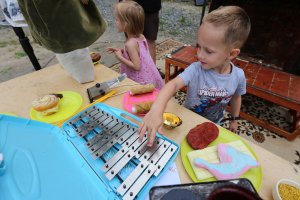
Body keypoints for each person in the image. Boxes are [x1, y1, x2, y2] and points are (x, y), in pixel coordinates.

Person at [138, 6, 251, 146]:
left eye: (208, 51)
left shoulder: (238, 76)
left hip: (213, 124)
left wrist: (235, 118)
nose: (199, 54)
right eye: (198, 46)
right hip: (187, 121)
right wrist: (156, 110)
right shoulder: (196, 69)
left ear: (232, 54)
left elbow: (236, 97)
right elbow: (173, 85)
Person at [106, 1, 164, 89]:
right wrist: (122, 51)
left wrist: (120, 57)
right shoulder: (141, 36)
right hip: (148, 76)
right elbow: (139, 53)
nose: (115, 22)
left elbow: (137, 66)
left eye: (117, 20)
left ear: (126, 24)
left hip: (139, 81)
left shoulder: (130, 44)